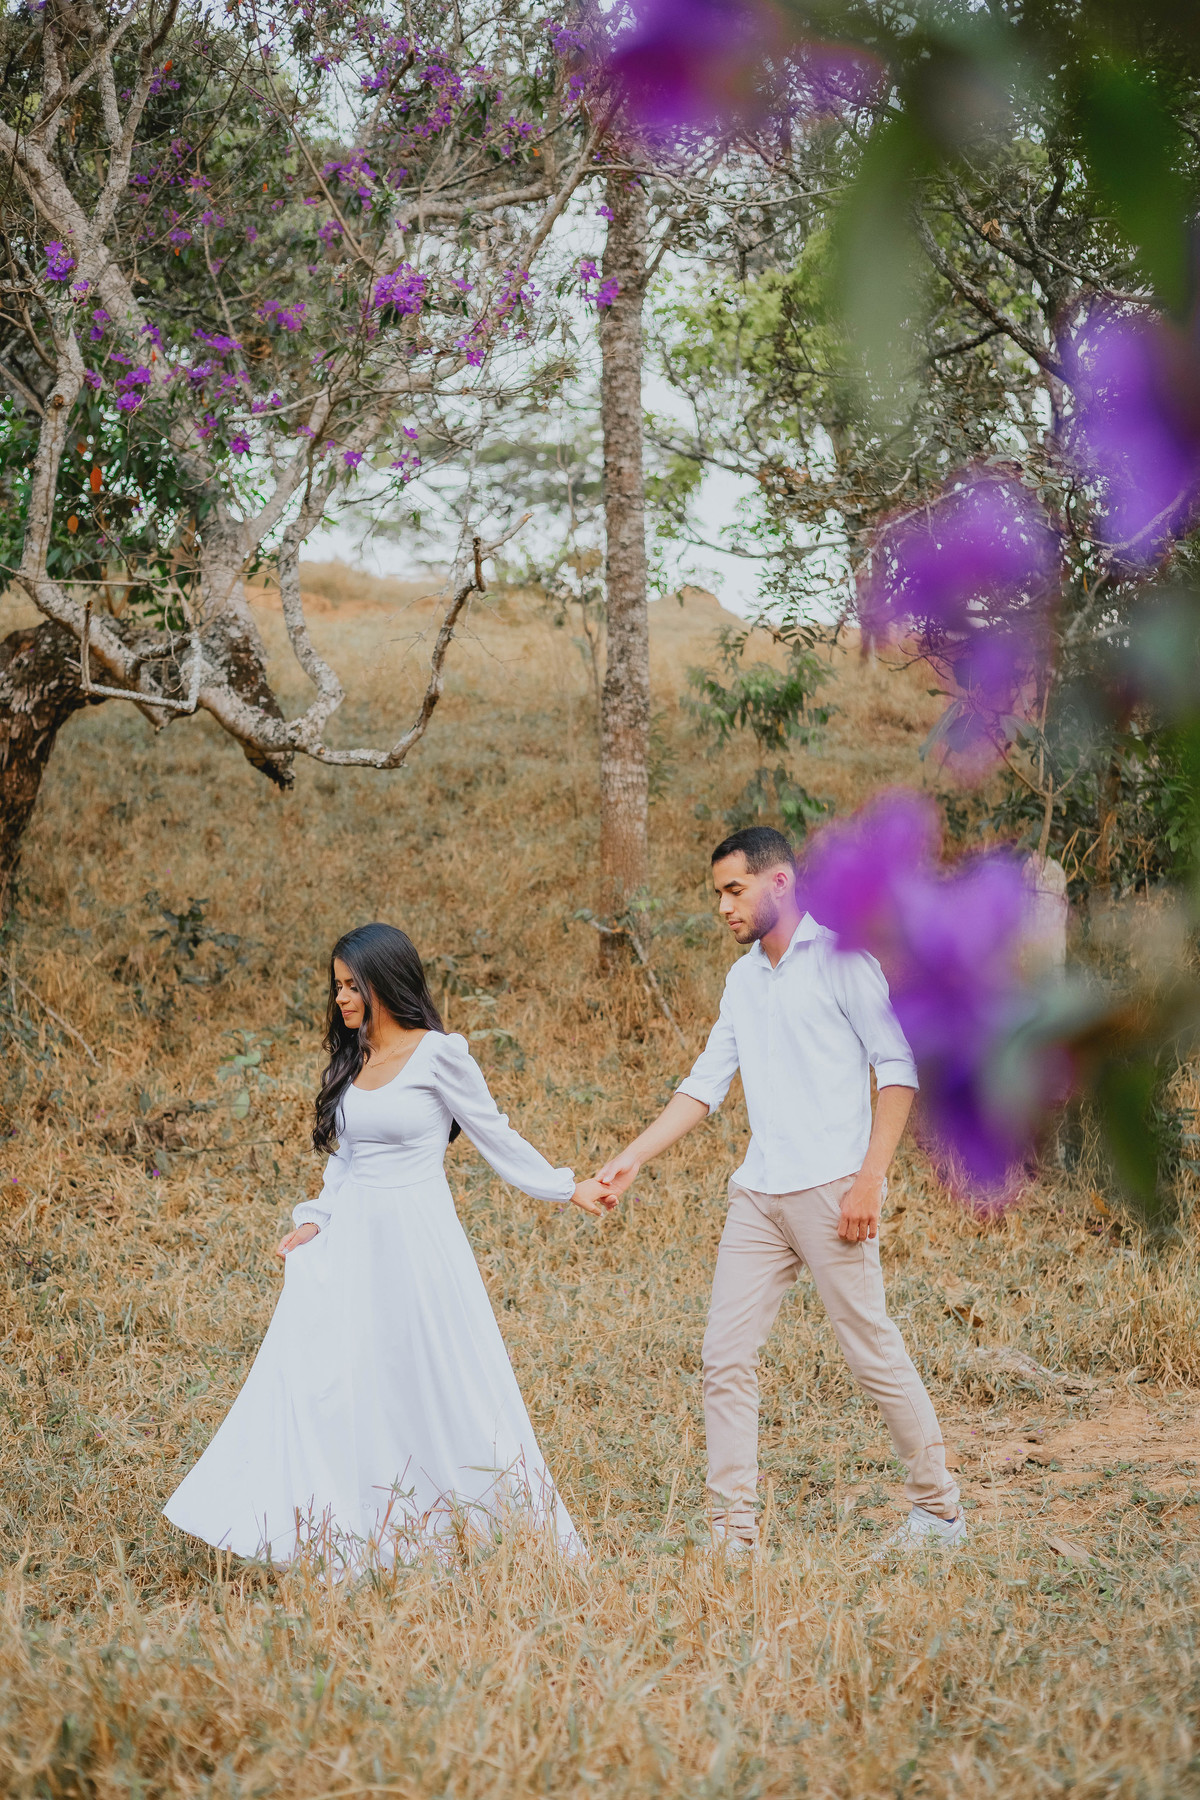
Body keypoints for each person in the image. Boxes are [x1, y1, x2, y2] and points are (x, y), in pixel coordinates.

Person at [164, 922, 615, 1569]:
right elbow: (345, 1162)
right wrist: (315, 1220)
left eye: (354, 986)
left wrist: (566, 1187)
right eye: (337, 986)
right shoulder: (356, 1057)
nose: (341, 999)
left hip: (417, 1237)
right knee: (331, 1374)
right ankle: (327, 1521)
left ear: (387, 982)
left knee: (434, 1374)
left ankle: (475, 1521)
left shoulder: (439, 1055)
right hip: (353, 1238)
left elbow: (495, 1134)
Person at [597, 826, 964, 1556]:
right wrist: (632, 1156)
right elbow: (704, 1085)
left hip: (834, 1191)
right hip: (758, 1195)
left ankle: (939, 1514)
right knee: (724, 1356)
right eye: (718, 895)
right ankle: (734, 1533)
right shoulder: (742, 981)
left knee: (871, 1353)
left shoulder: (842, 959)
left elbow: (897, 1069)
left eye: (734, 890)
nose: (724, 908)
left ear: (780, 882)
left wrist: (869, 1181)